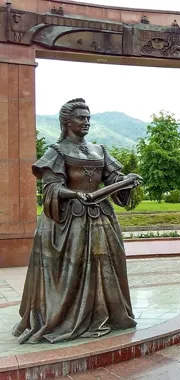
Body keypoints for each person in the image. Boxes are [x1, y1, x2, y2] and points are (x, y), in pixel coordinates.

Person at [13, 98, 142, 344]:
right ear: (67, 122)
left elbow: (113, 179)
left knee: (104, 265)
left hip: (101, 220)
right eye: (81, 118)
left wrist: (126, 180)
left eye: (88, 118)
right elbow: (51, 188)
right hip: (68, 222)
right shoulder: (57, 151)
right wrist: (74, 194)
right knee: (75, 268)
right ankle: (68, 317)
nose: (86, 122)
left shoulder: (99, 150)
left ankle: (103, 315)